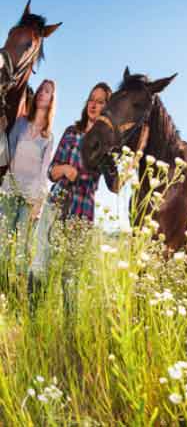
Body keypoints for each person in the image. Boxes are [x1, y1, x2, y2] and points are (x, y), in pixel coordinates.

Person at [29, 82, 117, 309]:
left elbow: (115, 185)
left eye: (100, 102)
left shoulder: (107, 144)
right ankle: (33, 318)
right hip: (57, 202)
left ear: (107, 108)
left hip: (82, 210)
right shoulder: (71, 132)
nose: (94, 105)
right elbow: (51, 171)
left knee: (71, 273)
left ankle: (68, 327)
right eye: (91, 99)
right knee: (42, 261)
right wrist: (65, 170)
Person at [0, 80, 57, 275]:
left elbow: (44, 173)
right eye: (41, 89)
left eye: (47, 91)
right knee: (2, 240)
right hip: (10, 188)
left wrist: (38, 202)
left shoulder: (49, 136)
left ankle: (15, 286)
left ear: (51, 100)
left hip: (30, 196)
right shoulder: (22, 123)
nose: (42, 93)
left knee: (22, 246)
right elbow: (7, 151)